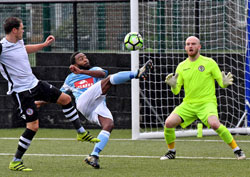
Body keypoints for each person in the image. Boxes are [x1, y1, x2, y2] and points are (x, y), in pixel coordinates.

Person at [0, 17, 100, 172]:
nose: (23, 30)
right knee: (33, 126)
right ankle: (15, 161)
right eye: (21, 28)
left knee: (65, 99)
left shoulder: (18, 42)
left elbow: (25, 49)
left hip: (35, 84)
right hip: (21, 92)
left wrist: (44, 45)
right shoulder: (2, 47)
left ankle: (81, 133)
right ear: (14, 30)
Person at [59, 52, 153, 169]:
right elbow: (59, 95)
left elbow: (102, 73)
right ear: (74, 65)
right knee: (109, 80)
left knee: (109, 125)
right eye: (80, 59)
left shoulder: (95, 70)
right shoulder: (70, 78)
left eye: (85, 57)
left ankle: (93, 155)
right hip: (84, 102)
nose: (85, 60)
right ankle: (136, 74)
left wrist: (82, 71)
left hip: (98, 104)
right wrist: (40, 102)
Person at [161, 36, 246, 160]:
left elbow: (221, 82)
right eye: (188, 44)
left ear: (199, 46)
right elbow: (176, 91)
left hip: (207, 103)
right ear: (185, 47)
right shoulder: (181, 66)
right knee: (168, 123)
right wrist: (173, 85)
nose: (190, 46)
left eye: (193, 44)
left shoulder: (209, 62)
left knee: (215, 124)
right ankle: (171, 152)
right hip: (188, 104)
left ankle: (237, 150)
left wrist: (225, 83)